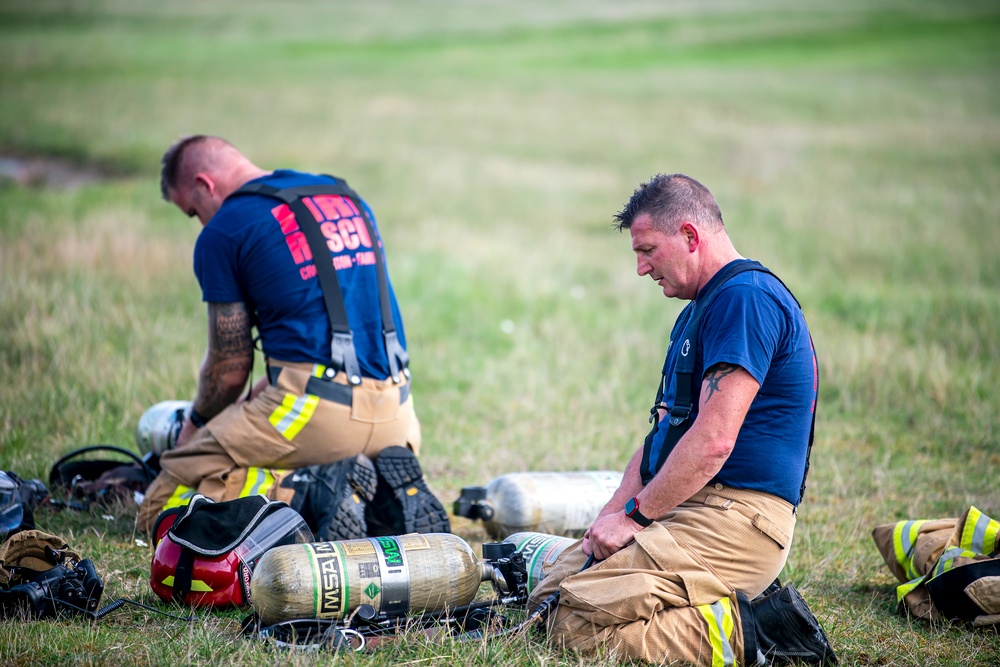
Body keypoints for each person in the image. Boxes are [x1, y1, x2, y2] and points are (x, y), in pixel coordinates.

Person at [527, 174, 836, 665]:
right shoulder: (698, 310)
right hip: (688, 501)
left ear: (691, 236)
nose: (640, 267)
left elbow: (713, 441)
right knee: (551, 589)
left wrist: (635, 518)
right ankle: (708, 603)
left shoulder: (746, 299)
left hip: (738, 518)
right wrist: (612, 516)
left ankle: (760, 634)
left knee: (571, 618)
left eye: (648, 249)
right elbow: (662, 440)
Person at [137, 136, 449, 540]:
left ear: (204, 185)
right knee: (264, 432)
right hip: (400, 417)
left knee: (160, 509)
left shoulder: (225, 231)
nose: (201, 222)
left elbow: (230, 371)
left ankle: (304, 493)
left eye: (193, 211)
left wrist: (195, 424)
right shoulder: (343, 196)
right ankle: (373, 497)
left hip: (315, 412)